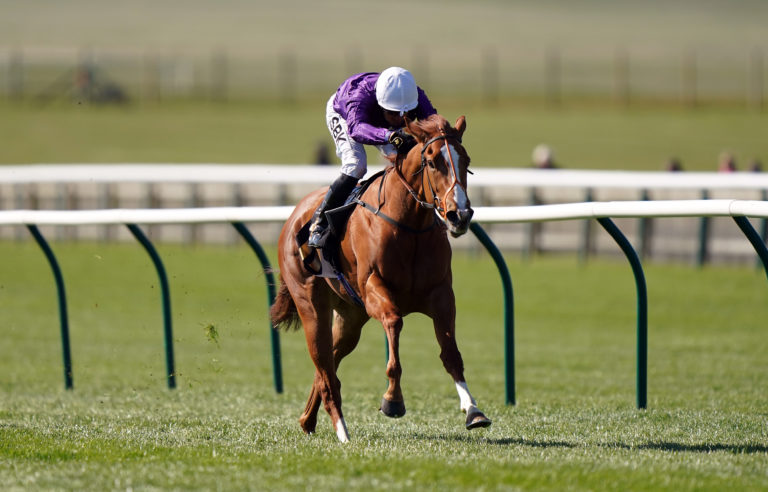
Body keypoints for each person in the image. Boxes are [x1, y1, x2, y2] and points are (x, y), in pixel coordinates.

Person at [308, 67, 438, 248]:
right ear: (380, 104)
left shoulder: (415, 96)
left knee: (407, 160)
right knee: (356, 165)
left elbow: (434, 126)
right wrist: (388, 136)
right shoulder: (359, 97)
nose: (399, 120)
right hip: (346, 116)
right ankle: (319, 222)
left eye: (405, 114)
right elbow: (356, 129)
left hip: (374, 119)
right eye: (393, 113)